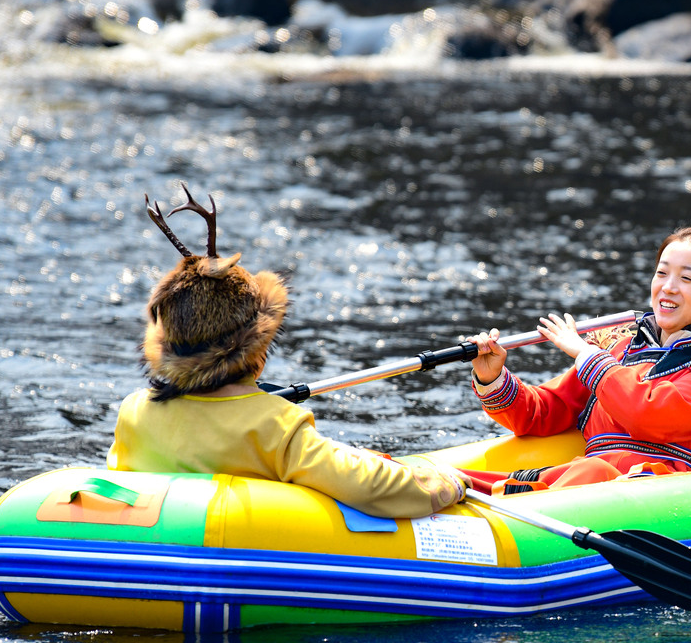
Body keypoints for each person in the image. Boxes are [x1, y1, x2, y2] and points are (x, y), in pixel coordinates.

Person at [106, 186, 471, 519]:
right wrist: (446, 484)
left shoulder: (136, 412)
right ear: (256, 348)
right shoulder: (274, 426)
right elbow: (372, 486)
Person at [461, 226, 691, 495]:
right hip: (584, 486)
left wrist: (587, 355)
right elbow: (542, 413)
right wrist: (493, 378)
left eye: (687, 278)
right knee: (452, 477)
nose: (668, 288)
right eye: (662, 273)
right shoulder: (619, 352)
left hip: (653, 497)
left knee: (592, 470)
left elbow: (648, 413)